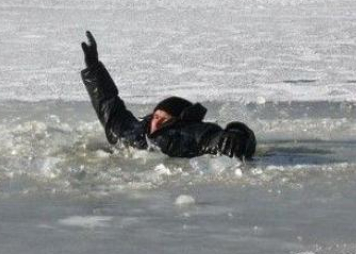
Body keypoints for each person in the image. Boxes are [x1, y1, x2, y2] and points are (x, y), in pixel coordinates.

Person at [80, 32, 256, 159]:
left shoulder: (193, 132)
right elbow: (109, 105)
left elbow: (219, 138)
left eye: (165, 118)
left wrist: (236, 134)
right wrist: (94, 68)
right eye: (157, 116)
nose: (157, 122)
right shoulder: (134, 131)